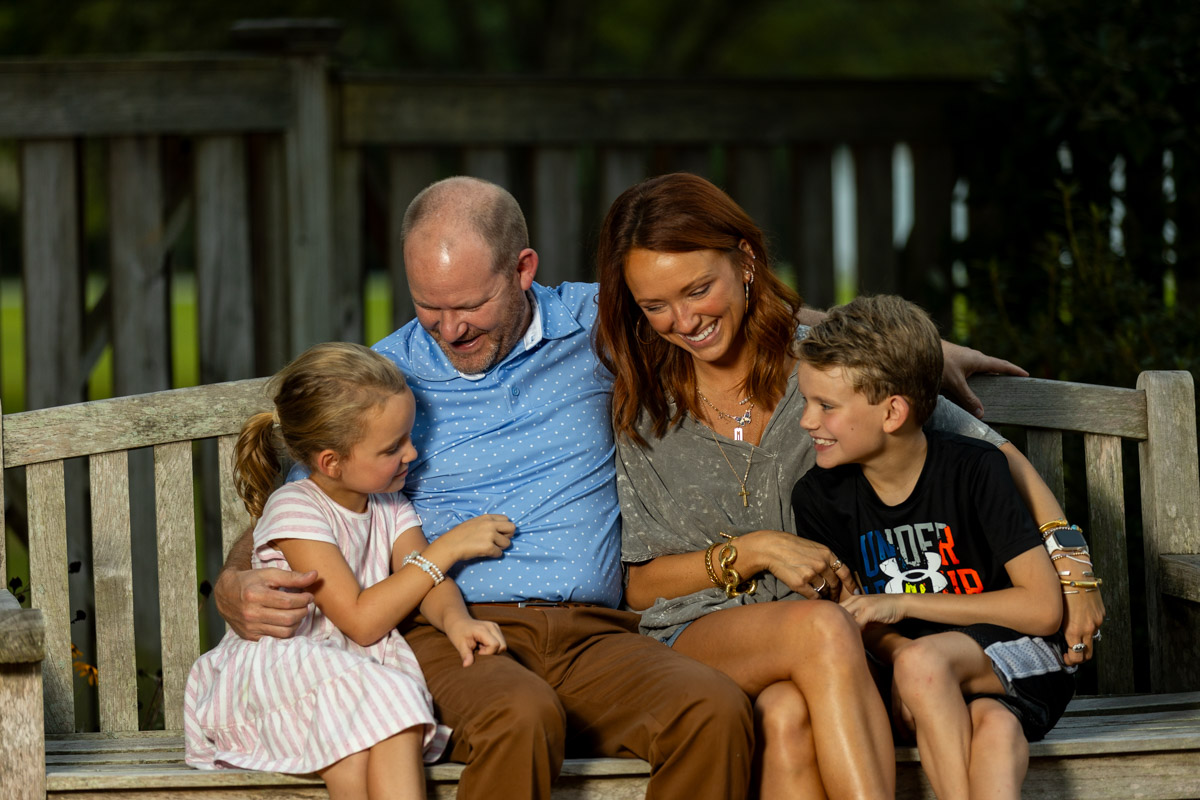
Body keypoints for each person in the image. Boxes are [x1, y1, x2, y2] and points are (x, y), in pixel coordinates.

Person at [214, 177, 757, 800]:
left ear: (523, 269)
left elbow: (741, 317)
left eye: (469, 305)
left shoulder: (602, 324)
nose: (450, 330)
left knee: (713, 708)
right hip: (451, 629)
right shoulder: (382, 384)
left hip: (598, 632)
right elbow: (305, 501)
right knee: (520, 716)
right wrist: (236, 580)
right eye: (428, 306)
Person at [591, 172, 1104, 798]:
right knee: (823, 627)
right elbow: (640, 584)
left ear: (745, 260)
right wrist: (753, 549)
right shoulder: (643, 408)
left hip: (839, 657)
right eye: (654, 305)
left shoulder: (827, 367)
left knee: (787, 715)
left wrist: (1074, 571)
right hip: (702, 637)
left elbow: (996, 457)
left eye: (698, 289)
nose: (683, 319)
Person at [185, 342, 513, 799]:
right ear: (330, 462)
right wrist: (449, 548)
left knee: (389, 717)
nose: (412, 453)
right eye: (392, 447)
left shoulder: (389, 505)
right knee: (378, 711)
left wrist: (457, 620)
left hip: (348, 671)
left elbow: (424, 581)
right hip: (284, 671)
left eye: (410, 436)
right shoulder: (294, 509)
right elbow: (360, 621)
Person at [792, 295, 1078, 799]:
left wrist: (902, 606)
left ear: (893, 412)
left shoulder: (975, 470)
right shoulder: (820, 497)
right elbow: (854, 618)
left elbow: (1042, 609)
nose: (807, 421)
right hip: (928, 686)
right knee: (993, 727)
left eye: (826, 406)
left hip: (1022, 659)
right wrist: (904, 660)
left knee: (927, 666)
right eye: (806, 402)